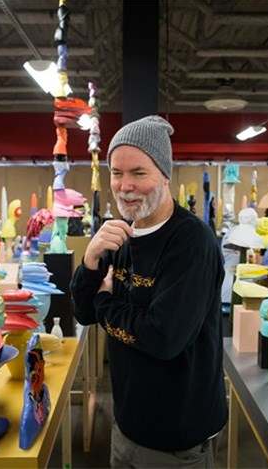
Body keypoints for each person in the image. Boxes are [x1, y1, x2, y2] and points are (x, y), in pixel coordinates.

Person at [70, 115, 227, 467]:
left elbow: (163, 337)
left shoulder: (191, 243)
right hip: (127, 422)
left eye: (138, 173)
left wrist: (105, 302)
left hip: (175, 435)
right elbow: (83, 313)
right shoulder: (120, 234)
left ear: (164, 175)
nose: (125, 186)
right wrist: (92, 259)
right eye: (117, 173)